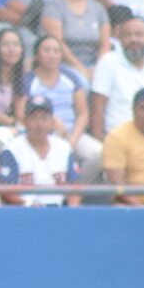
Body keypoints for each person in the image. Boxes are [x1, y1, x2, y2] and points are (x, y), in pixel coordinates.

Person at [24, 34, 102, 182]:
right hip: (42, 133)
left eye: (56, 51)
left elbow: (83, 113)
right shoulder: (29, 80)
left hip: (72, 133)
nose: (52, 55)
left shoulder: (71, 78)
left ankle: (75, 190)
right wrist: (52, 125)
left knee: (98, 153)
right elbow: (23, 113)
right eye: (46, 50)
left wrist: (72, 139)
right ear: (37, 55)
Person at [0, 95, 80, 206]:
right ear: (25, 121)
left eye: (44, 118)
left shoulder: (64, 148)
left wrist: (72, 211)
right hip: (25, 212)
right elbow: (6, 190)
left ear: (52, 122)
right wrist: (27, 204)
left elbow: (75, 186)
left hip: (59, 211)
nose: (39, 124)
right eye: (34, 118)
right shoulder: (12, 150)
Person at [40, 0, 110, 79]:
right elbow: (58, 43)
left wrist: (99, 69)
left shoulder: (98, 8)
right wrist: (81, 70)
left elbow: (105, 44)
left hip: (95, 66)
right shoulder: (53, 7)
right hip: (64, 65)